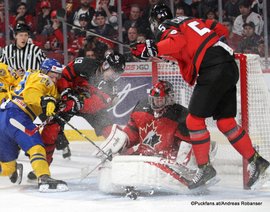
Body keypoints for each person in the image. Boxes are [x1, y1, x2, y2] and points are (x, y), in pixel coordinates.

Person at [131, 3, 270, 190]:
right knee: (225, 122)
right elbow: (220, 29)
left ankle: (205, 169)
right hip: (228, 65)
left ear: (155, 21)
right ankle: (257, 161)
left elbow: (176, 42)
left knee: (194, 121)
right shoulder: (191, 20)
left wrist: (153, 48)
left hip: (211, 67)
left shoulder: (166, 25)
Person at [94, 80, 217, 194]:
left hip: (164, 161)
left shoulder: (180, 116)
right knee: (115, 164)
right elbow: (132, 133)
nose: (155, 103)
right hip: (142, 157)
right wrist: (119, 145)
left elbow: (194, 142)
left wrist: (197, 163)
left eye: (159, 100)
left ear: (169, 99)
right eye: (153, 99)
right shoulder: (141, 108)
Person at [27, 52, 126, 180]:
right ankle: (42, 169)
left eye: (117, 74)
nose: (114, 76)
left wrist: (78, 104)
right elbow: (65, 75)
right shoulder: (84, 64)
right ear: (106, 65)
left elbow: (96, 105)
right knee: (51, 130)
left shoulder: (111, 88)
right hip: (68, 100)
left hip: (84, 107)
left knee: (109, 128)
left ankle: (126, 155)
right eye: (113, 71)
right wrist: (65, 92)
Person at [0, 58, 68, 192]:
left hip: (3, 115)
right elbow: (32, 94)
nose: (54, 80)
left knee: (7, 167)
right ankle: (44, 178)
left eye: (57, 77)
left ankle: (11, 168)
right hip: (17, 114)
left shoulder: (30, 76)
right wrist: (45, 101)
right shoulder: (43, 78)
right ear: (45, 71)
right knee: (36, 146)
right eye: (52, 75)